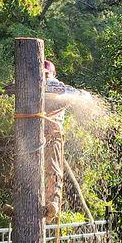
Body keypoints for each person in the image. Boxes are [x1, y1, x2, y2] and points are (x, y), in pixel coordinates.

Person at [44, 59, 91, 222]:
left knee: (53, 169)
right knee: (34, 169)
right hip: (34, 136)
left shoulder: (58, 88)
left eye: (47, 75)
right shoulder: (34, 86)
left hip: (52, 136)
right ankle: (35, 201)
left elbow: (83, 96)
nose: (46, 78)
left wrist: (77, 95)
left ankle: (52, 205)